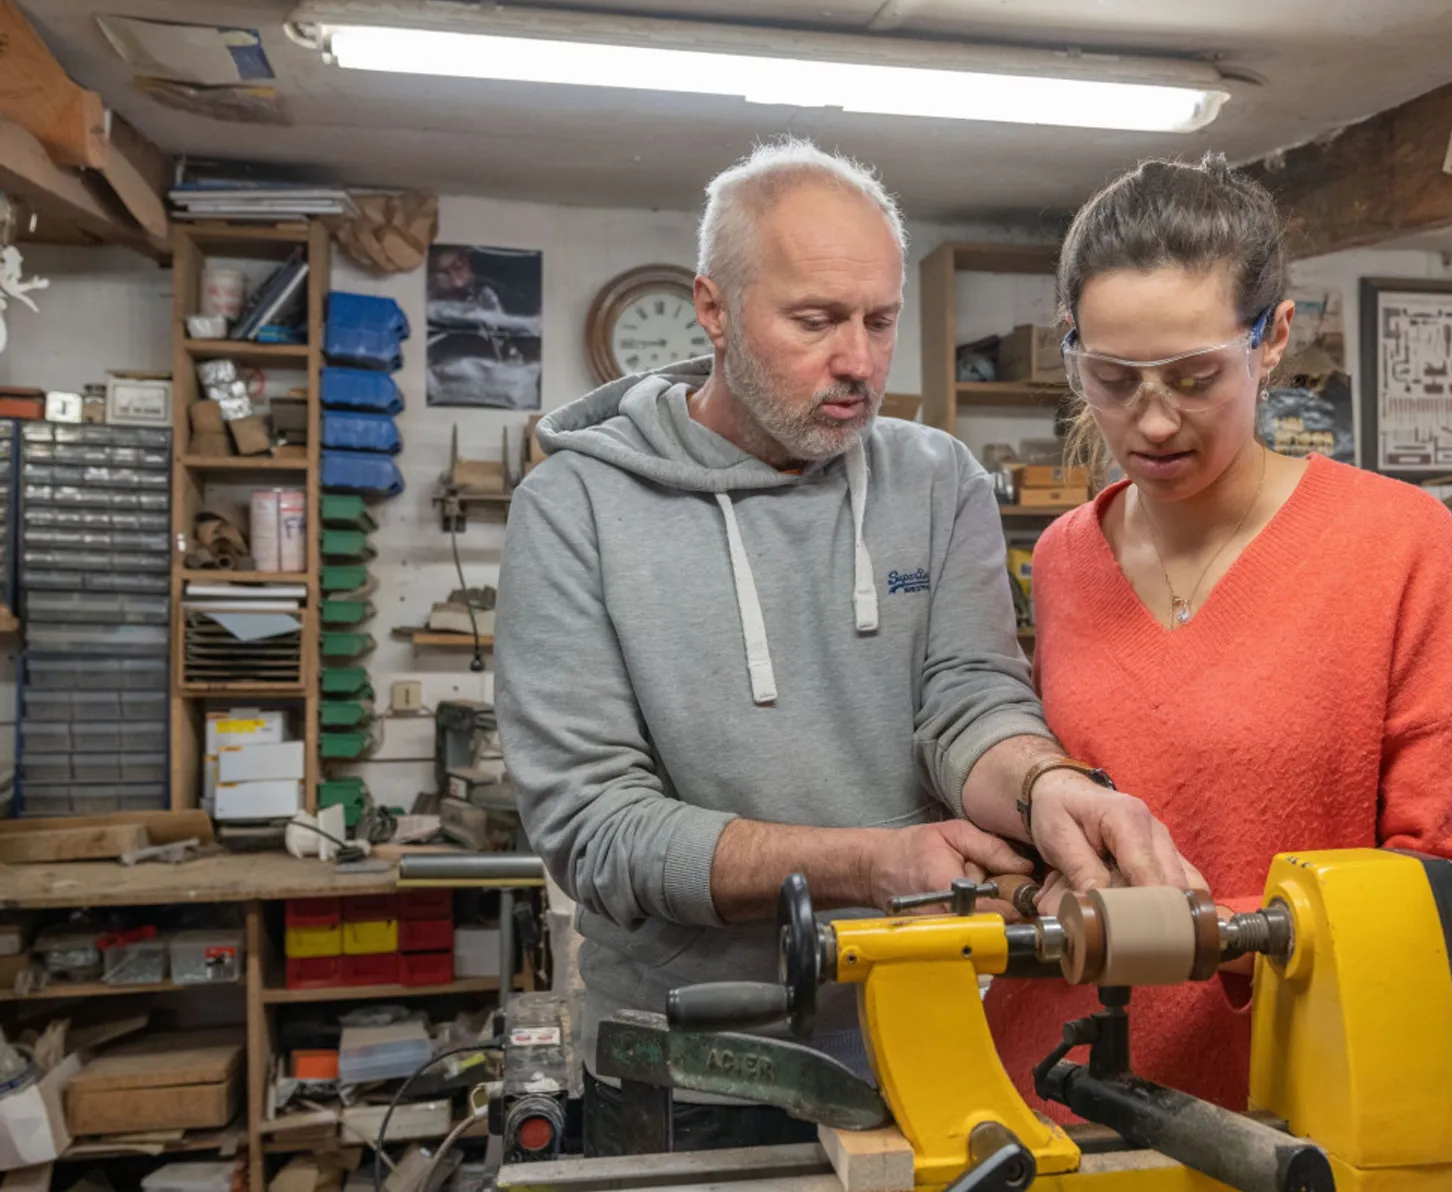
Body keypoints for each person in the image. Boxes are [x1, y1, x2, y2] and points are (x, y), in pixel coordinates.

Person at [494, 139, 1189, 1155]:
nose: (860, 361)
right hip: (692, 1065)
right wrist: (871, 866)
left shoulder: (936, 480)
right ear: (715, 308)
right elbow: (597, 827)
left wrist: (1045, 786)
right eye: (816, 321)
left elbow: (967, 698)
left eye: (880, 319)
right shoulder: (575, 508)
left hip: (924, 1040)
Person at [984, 156, 1452, 1117]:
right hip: (1056, 1095)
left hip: (1288, 1107)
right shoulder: (1064, 555)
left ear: (1272, 338)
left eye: (1194, 379)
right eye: (1110, 378)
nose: (1150, 421)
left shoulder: (1398, 544)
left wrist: (1201, 932)